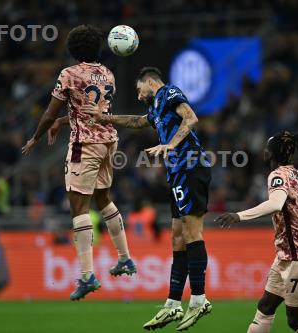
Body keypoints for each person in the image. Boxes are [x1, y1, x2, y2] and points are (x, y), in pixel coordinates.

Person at [83, 67, 212, 331]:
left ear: (150, 82)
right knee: (178, 236)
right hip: (177, 171)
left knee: (192, 232)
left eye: (139, 89)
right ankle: (173, 303)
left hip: (190, 165)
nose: (139, 95)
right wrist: (104, 118)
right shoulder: (156, 108)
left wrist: (171, 145)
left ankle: (199, 299)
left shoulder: (169, 92)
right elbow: (138, 121)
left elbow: (191, 118)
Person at [21, 24, 136, 301]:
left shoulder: (69, 74)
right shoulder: (107, 73)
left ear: (72, 50)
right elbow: (90, 110)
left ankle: (86, 275)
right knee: (103, 198)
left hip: (84, 145)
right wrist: (64, 122)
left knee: (78, 207)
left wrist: (36, 137)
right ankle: (125, 258)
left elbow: (50, 112)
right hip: (109, 140)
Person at [216, 131, 298, 333]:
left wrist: (239, 216)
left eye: (266, 149)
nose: (263, 152)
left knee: (296, 320)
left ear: (272, 154)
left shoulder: (277, 175)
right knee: (266, 306)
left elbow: (276, 204)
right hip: (288, 256)